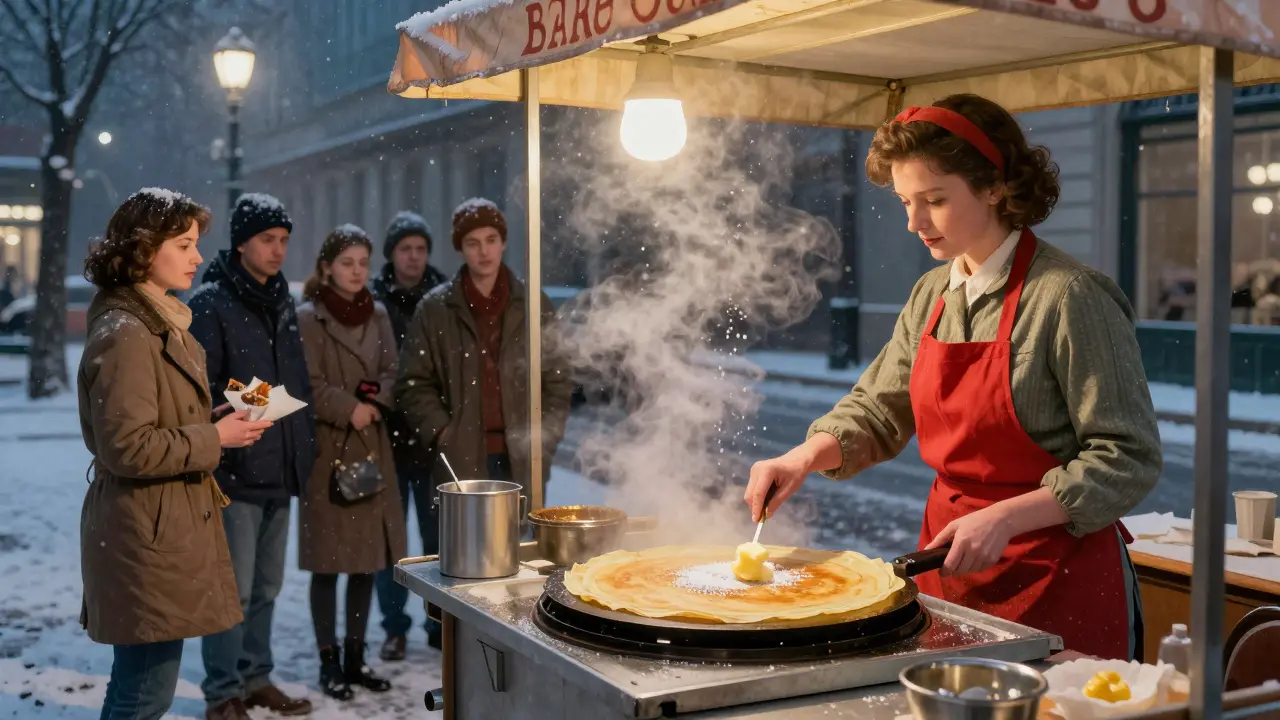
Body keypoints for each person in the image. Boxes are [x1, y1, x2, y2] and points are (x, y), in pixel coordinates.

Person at [743, 94, 1162, 662]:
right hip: (948, 565)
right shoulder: (933, 295)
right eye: (905, 202)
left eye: (935, 201)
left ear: (994, 187)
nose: (914, 223)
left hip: (1058, 575)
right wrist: (801, 458)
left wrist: (1007, 516)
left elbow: (1127, 457)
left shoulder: (1068, 296)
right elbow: (877, 408)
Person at [78, 189, 272, 720]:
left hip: (159, 527)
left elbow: (147, 427)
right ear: (145, 249)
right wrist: (215, 440)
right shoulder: (128, 333)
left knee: (145, 685)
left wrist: (210, 424)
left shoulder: (155, 321)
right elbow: (126, 446)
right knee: (144, 692)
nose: (197, 257)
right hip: (146, 533)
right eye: (184, 244)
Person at [189, 193, 316, 719]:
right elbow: (201, 390)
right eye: (268, 240)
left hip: (278, 466)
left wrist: (302, 449)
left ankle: (255, 675)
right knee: (232, 590)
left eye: (284, 240)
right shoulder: (212, 303)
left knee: (266, 587)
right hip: (235, 467)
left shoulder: (282, 300)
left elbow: (296, 378)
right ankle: (223, 691)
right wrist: (257, 399)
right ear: (242, 242)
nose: (278, 250)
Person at [395, 199, 573, 527]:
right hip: (461, 457)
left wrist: (545, 436)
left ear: (503, 242)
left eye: (491, 240)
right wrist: (442, 433)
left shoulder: (533, 305)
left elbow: (558, 378)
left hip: (522, 455)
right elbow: (412, 382)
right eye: (473, 243)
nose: (484, 252)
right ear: (460, 248)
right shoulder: (436, 309)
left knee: (521, 559)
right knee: (462, 561)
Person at [297, 224, 406, 699]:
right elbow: (309, 383)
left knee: (365, 562)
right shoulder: (309, 318)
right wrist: (351, 406)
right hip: (328, 452)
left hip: (372, 449)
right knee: (328, 564)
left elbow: (392, 371)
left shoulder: (378, 313)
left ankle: (357, 658)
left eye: (363, 262)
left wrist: (376, 401)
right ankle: (328, 661)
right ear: (327, 267)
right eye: (347, 263)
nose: (357, 271)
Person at [370, 211, 448, 659]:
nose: (414, 257)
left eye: (420, 249)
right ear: (392, 254)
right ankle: (394, 626)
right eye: (405, 249)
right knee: (391, 545)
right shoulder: (374, 297)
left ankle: (439, 623)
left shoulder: (443, 296)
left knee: (439, 542)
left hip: (433, 437)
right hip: (386, 439)